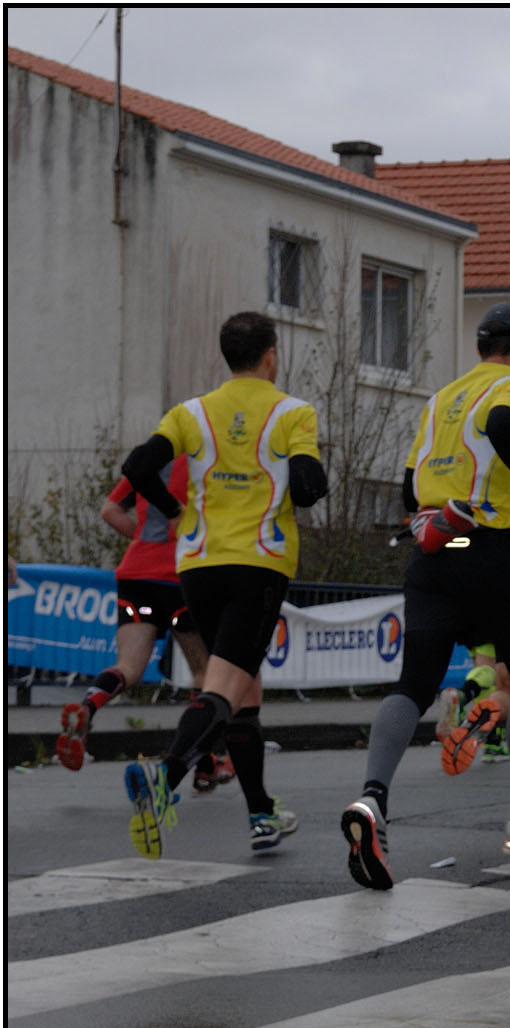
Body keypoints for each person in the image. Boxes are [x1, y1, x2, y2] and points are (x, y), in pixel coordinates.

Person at [340, 301, 510, 890]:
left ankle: (372, 800)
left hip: (434, 554)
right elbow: (500, 427)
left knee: (413, 685)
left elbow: (408, 486)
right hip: (495, 555)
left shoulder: (440, 399)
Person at [119, 311, 326, 857]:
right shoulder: (292, 413)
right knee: (225, 686)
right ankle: (165, 775)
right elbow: (307, 490)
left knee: (242, 690)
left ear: (226, 356)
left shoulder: (190, 413)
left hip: (197, 564)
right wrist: (299, 477)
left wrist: (174, 509)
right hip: (258, 564)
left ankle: (261, 813)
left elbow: (138, 466)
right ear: (271, 356)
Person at [57, 457, 231, 791]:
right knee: (206, 674)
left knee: (128, 667)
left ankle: (89, 706)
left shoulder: (149, 465)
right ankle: (206, 764)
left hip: (136, 574)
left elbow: (110, 510)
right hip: (182, 576)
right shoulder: (208, 463)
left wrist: (143, 539)